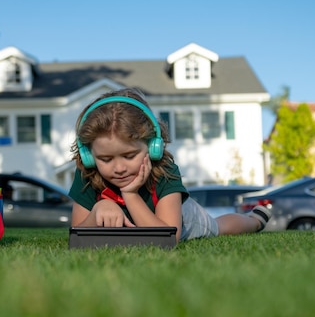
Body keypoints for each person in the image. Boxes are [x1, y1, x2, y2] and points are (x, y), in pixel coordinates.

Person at [68, 88, 271, 242]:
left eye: (129, 155)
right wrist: (96, 213)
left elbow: (168, 238)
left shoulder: (165, 171)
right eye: (106, 159)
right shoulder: (87, 173)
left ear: (153, 146)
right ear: (89, 155)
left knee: (218, 227)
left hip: (183, 219)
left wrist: (130, 195)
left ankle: (254, 220)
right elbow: (77, 238)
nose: (119, 168)